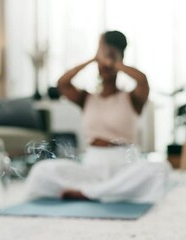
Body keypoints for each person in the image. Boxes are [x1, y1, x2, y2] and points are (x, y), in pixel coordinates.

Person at [26, 30, 170, 203]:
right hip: (92, 165)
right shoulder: (86, 98)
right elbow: (62, 83)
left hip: (125, 163)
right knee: (42, 170)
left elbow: (142, 80)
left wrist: (114, 62)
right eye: (102, 56)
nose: (105, 63)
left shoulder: (132, 98)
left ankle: (89, 193)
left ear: (120, 60)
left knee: (161, 169)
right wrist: (94, 59)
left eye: (110, 57)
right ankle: (105, 192)